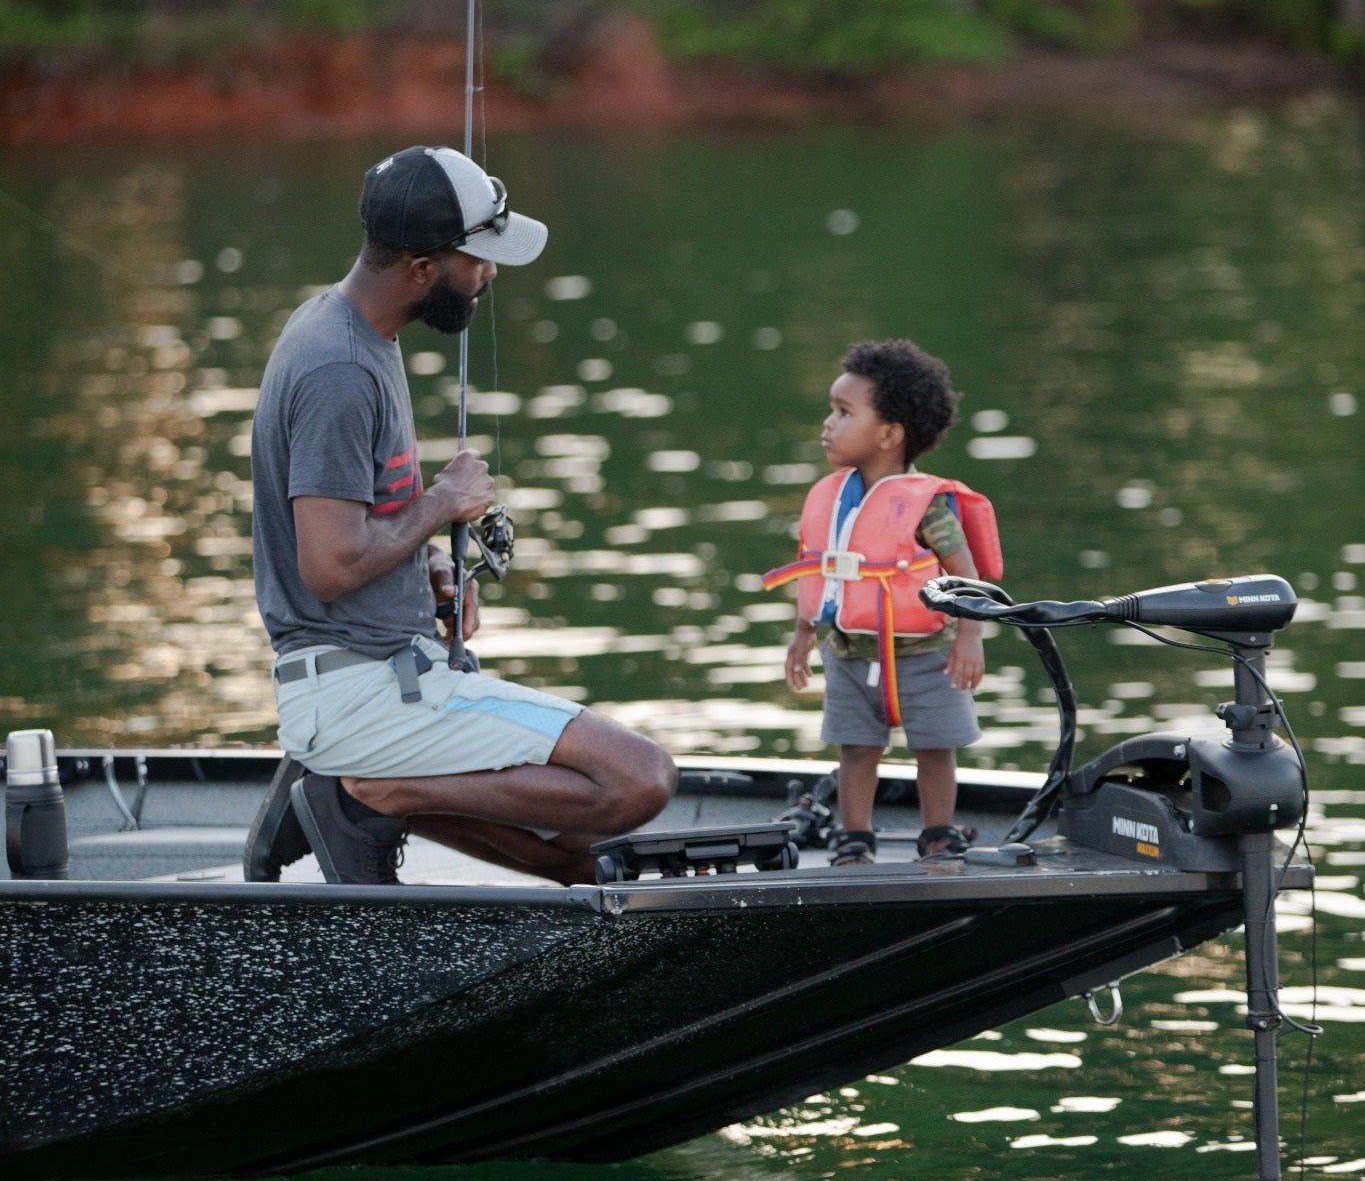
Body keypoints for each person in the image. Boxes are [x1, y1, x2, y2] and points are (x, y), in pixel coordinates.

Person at [246, 144, 675, 886]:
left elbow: (352, 525)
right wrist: (441, 504)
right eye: (477, 259)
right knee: (637, 780)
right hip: (357, 687)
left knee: (569, 858)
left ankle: (359, 794)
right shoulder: (340, 368)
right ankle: (360, 792)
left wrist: (429, 561)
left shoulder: (347, 329)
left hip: (377, 669)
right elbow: (327, 564)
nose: (490, 275)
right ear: (420, 270)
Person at [775, 339, 991, 866]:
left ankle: (937, 832)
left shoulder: (927, 504)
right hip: (849, 652)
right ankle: (855, 838)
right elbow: (816, 574)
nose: (828, 423)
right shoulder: (831, 497)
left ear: (890, 434)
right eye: (831, 409)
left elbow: (967, 573)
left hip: (926, 655)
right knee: (856, 749)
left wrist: (969, 638)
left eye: (844, 412)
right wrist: (802, 637)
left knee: (936, 748)